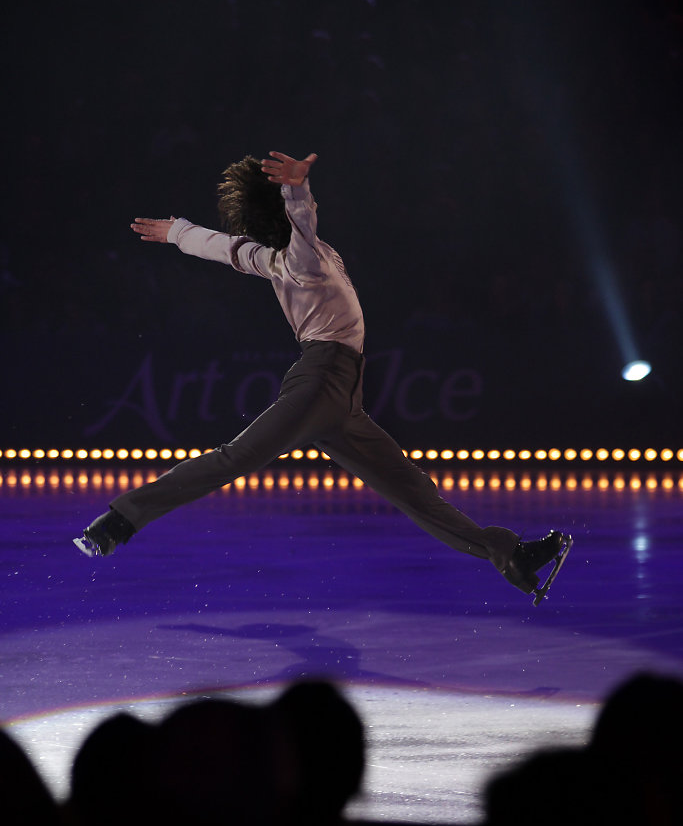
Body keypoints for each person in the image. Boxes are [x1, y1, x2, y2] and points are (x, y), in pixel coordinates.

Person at [74, 150, 571, 603]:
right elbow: (295, 222)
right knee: (234, 459)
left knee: (414, 491)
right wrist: (296, 189)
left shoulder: (276, 260)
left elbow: (224, 246)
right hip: (321, 381)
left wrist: (178, 231)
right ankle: (119, 520)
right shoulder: (300, 257)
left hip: (343, 399)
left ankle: (510, 557)